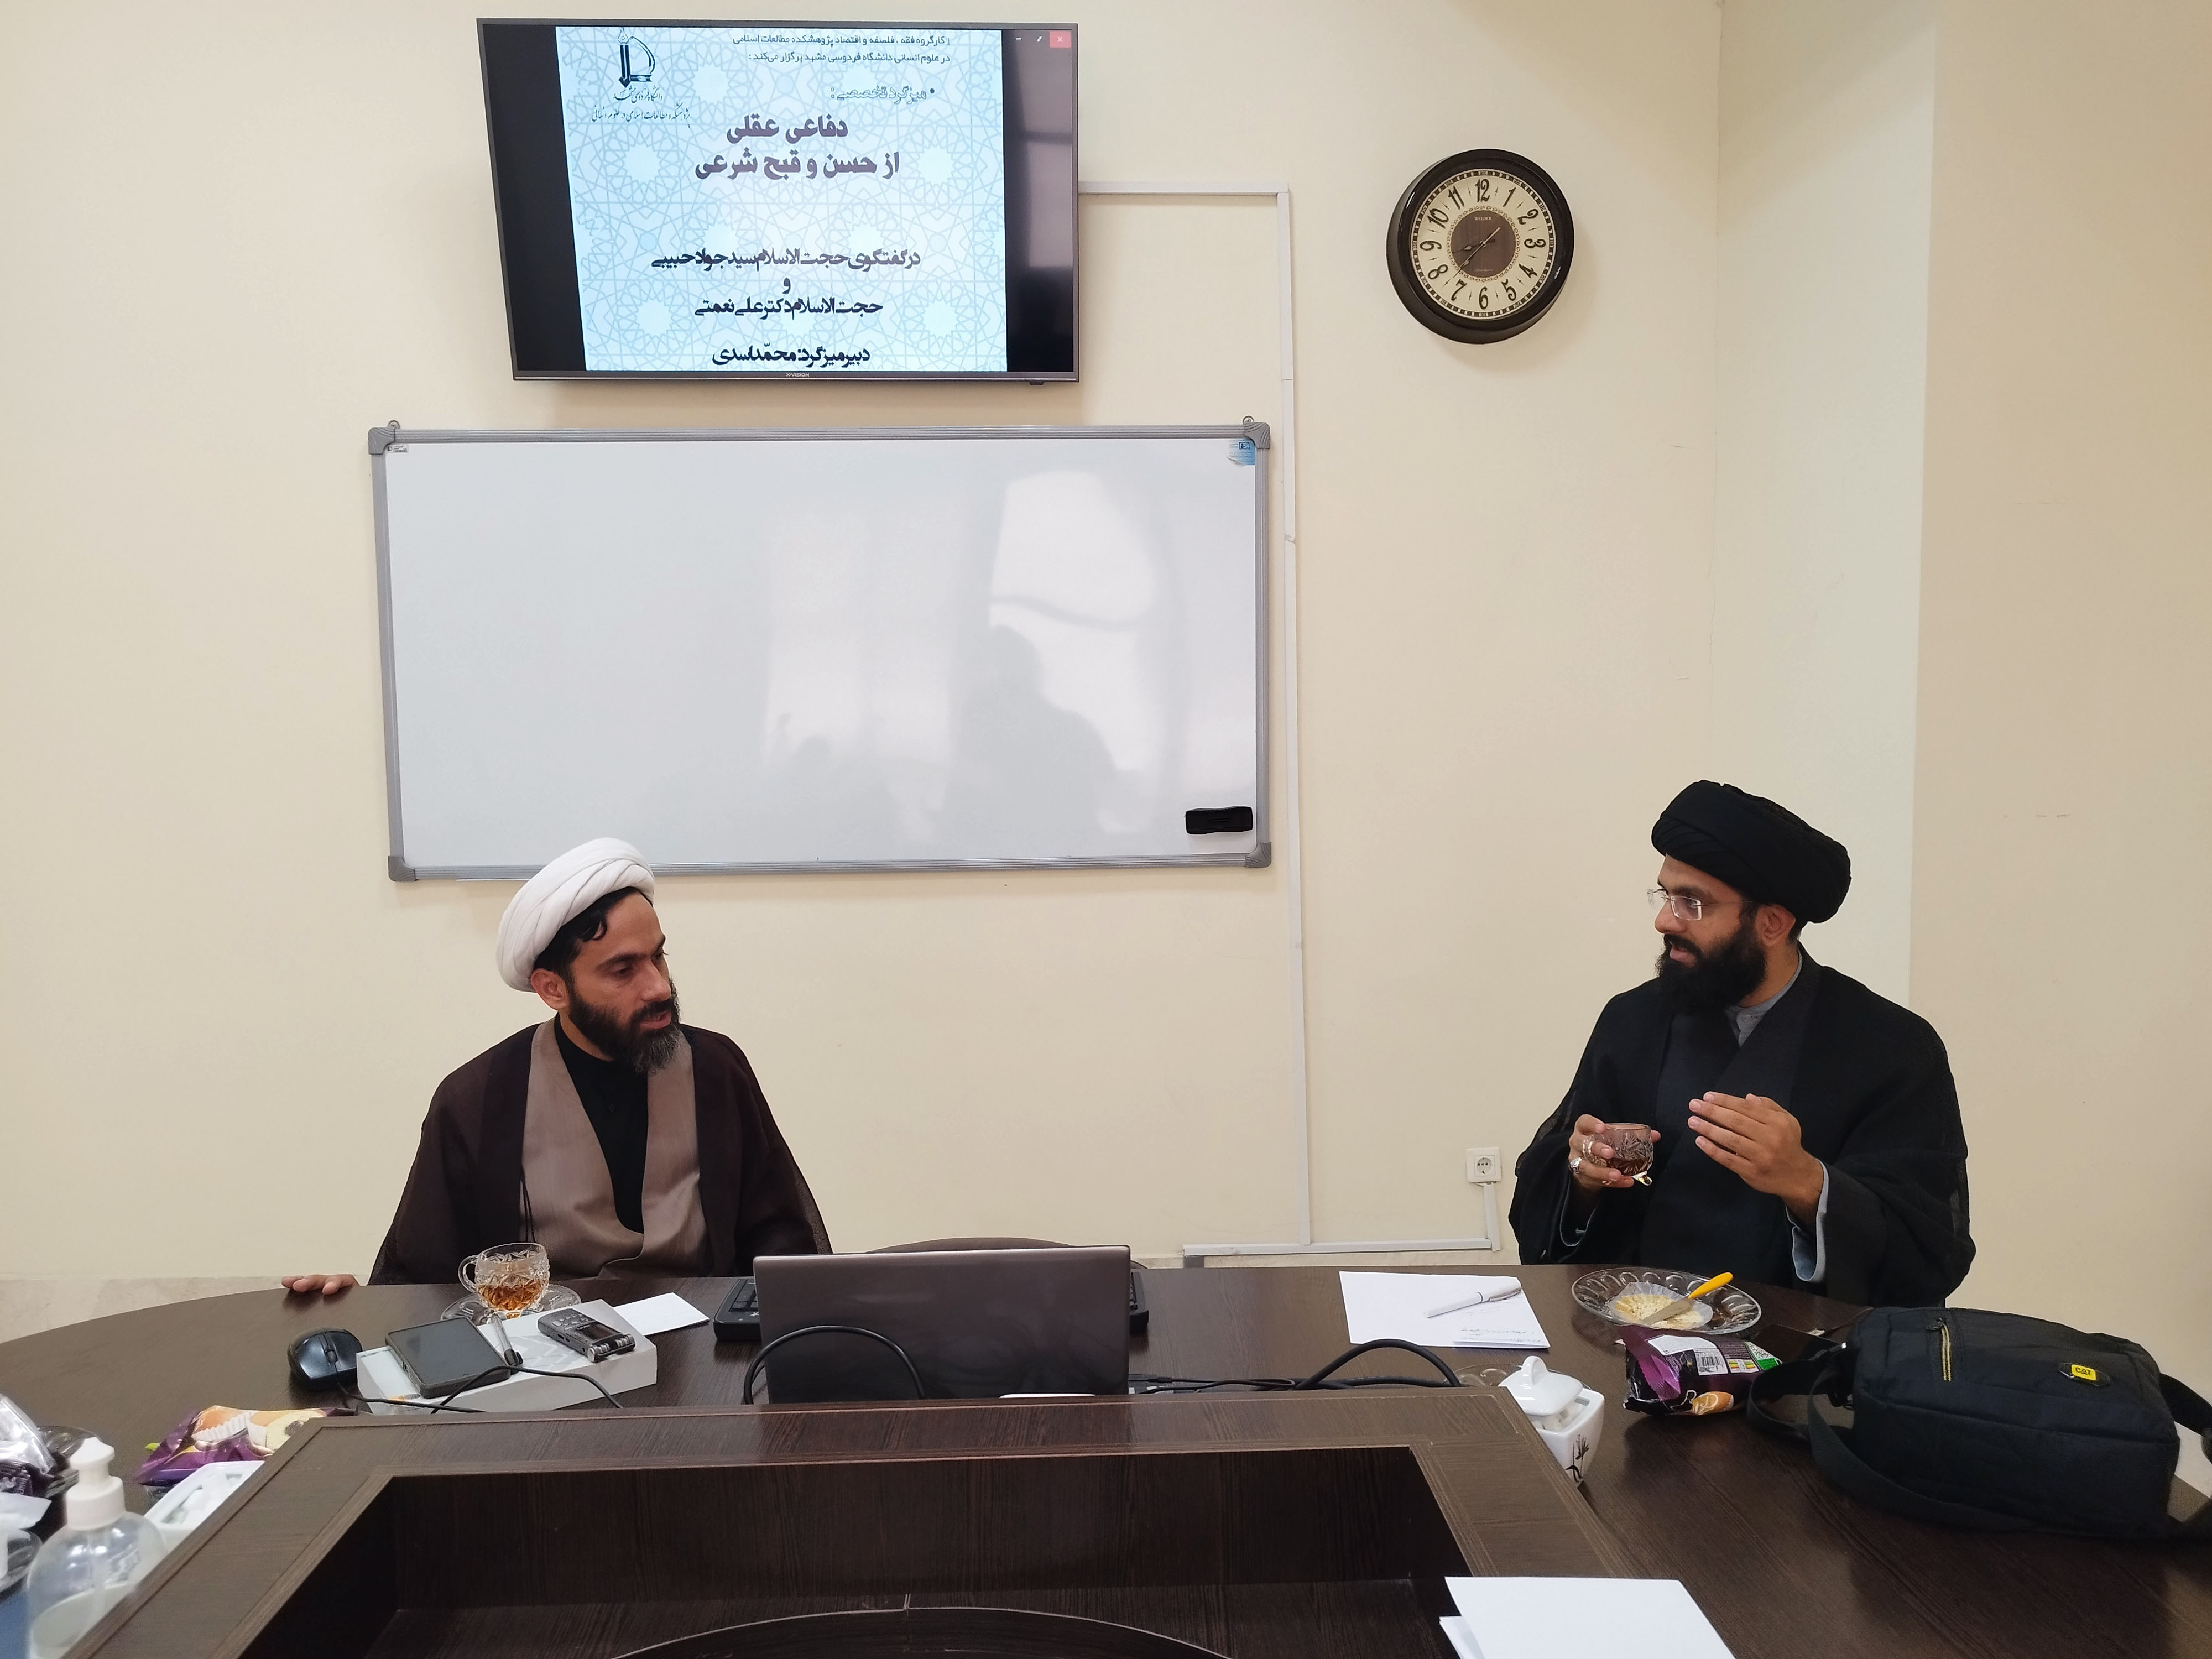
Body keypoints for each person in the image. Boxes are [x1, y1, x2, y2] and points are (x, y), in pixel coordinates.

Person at [285, 838, 828, 1293]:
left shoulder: (716, 1069)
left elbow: (780, 1235)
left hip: (705, 1352)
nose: (659, 987)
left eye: (658, 956)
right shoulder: (478, 1099)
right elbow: (422, 1277)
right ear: (553, 989)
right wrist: (360, 1310)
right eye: (623, 970)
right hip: (548, 1361)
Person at [1508, 782, 1973, 1306]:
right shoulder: (1632, 1019)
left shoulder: (1893, 1046)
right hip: (1634, 1330)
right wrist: (1583, 1174)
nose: (1664, 920)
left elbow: (1929, 1245)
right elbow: (1554, 1179)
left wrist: (1808, 1183)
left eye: (1693, 903)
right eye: (1665, 895)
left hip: (1804, 1348)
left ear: (1772, 923)